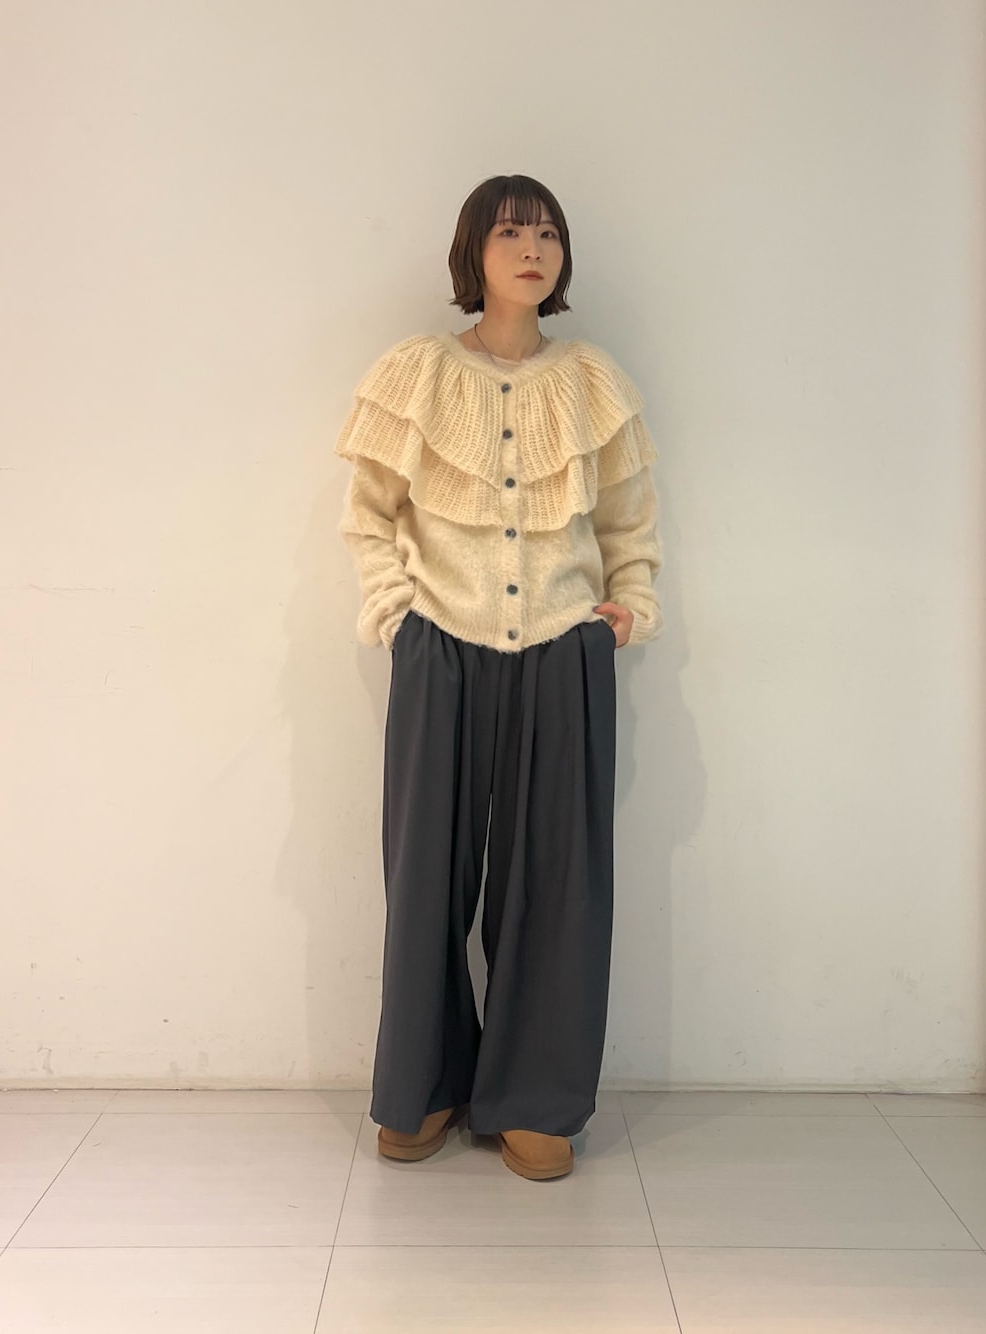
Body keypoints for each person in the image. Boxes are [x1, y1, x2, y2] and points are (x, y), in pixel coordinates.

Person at [334, 174, 663, 1181]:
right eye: (512, 231)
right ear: (473, 250)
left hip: (564, 648)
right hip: (440, 643)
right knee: (426, 878)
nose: (532, 248)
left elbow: (628, 523)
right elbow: (368, 512)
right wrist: (397, 612)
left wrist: (628, 607)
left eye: (549, 233)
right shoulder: (418, 371)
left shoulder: (593, 380)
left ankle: (533, 1096)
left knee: (557, 883)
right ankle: (426, 1085)